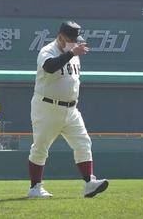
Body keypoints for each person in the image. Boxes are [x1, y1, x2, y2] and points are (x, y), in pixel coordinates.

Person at [27, 21, 108, 199]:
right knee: (40, 147)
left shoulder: (74, 53)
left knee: (83, 142)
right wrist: (72, 52)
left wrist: (72, 52)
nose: (75, 42)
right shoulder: (48, 50)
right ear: (61, 37)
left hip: (71, 110)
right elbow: (49, 67)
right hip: (47, 107)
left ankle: (89, 183)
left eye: (76, 39)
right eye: (71, 39)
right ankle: (35, 188)